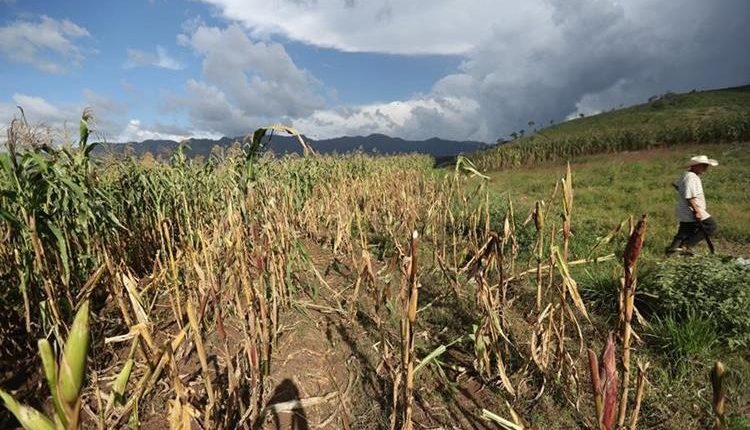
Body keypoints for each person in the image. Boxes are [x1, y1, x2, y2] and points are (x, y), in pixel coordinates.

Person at [666, 155, 718, 255]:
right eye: (703, 166)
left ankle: (672, 251)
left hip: (685, 208)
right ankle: (687, 245)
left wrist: (683, 191)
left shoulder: (686, 175)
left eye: (706, 166)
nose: (706, 168)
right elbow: (689, 197)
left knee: (685, 230)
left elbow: (676, 185)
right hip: (692, 208)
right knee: (710, 226)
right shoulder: (691, 178)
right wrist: (697, 211)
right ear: (696, 166)